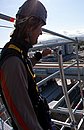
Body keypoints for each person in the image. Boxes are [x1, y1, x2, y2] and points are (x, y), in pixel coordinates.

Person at [0, 0, 53, 129]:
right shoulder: (12, 62)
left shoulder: (18, 52)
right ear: (30, 25)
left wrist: (40, 55)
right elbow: (24, 121)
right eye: (40, 27)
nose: (41, 32)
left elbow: (25, 66)